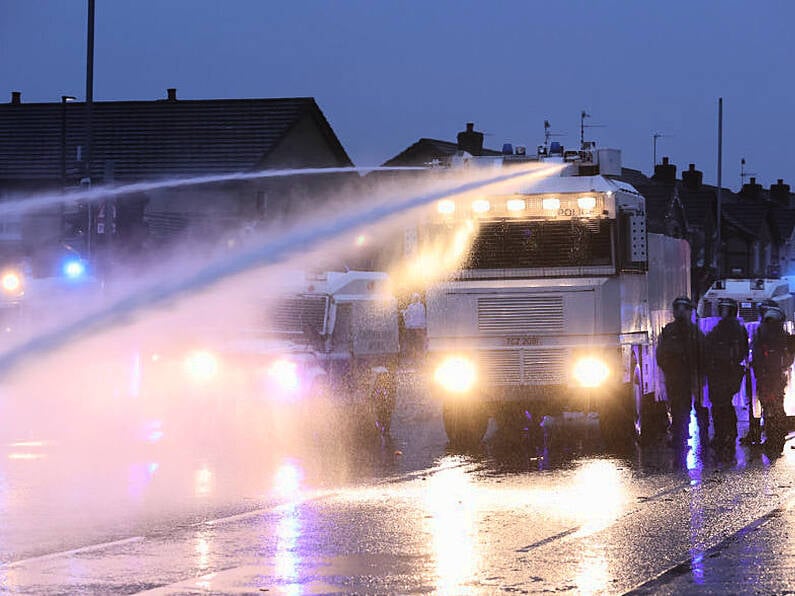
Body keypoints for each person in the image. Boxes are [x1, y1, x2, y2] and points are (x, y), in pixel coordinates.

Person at [656, 296, 709, 450]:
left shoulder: (689, 331)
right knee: (685, 410)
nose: (681, 311)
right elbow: (661, 355)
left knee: (687, 409)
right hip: (683, 377)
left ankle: (684, 439)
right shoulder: (686, 331)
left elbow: (661, 355)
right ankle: (689, 439)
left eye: (683, 308)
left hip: (685, 377)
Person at [704, 298, 749, 457]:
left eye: (724, 309)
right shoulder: (734, 328)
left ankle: (724, 435)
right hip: (724, 372)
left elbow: (710, 344)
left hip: (724, 372)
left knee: (721, 406)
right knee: (722, 405)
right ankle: (725, 435)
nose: (721, 312)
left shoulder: (729, 328)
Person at [750, 305, 793, 456]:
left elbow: (756, 357)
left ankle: (774, 439)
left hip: (767, 379)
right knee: (775, 408)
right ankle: (776, 439)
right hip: (774, 379)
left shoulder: (762, 336)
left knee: (770, 409)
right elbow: (788, 359)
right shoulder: (782, 336)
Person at [401, 293, 426, 361]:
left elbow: (408, 316)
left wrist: (403, 312)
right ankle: (419, 357)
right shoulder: (421, 306)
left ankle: (414, 357)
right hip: (419, 328)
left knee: (413, 343)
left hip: (412, 328)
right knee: (418, 343)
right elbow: (422, 317)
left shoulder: (411, 307)